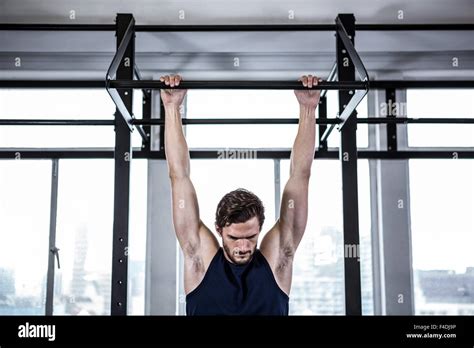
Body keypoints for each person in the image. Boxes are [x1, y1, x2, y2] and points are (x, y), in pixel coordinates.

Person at [160, 74, 321, 315]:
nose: (244, 246)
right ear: (219, 229)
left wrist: (308, 109)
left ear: (260, 229)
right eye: (234, 238)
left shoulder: (278, 261)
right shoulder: (199, 261)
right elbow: (178, 176)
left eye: (251, 236)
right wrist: (172, 108)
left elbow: (301, 176)